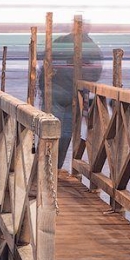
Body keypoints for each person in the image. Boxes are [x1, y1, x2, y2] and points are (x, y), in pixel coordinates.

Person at [37, 26, 103, 166]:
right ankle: (55, 167)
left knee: (51, 131)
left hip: (55, 92)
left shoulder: (61, 41)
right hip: (71, 95)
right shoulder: (91, 46)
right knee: (64, 133)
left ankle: (47, 166)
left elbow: (44, 60)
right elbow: (95, 72)